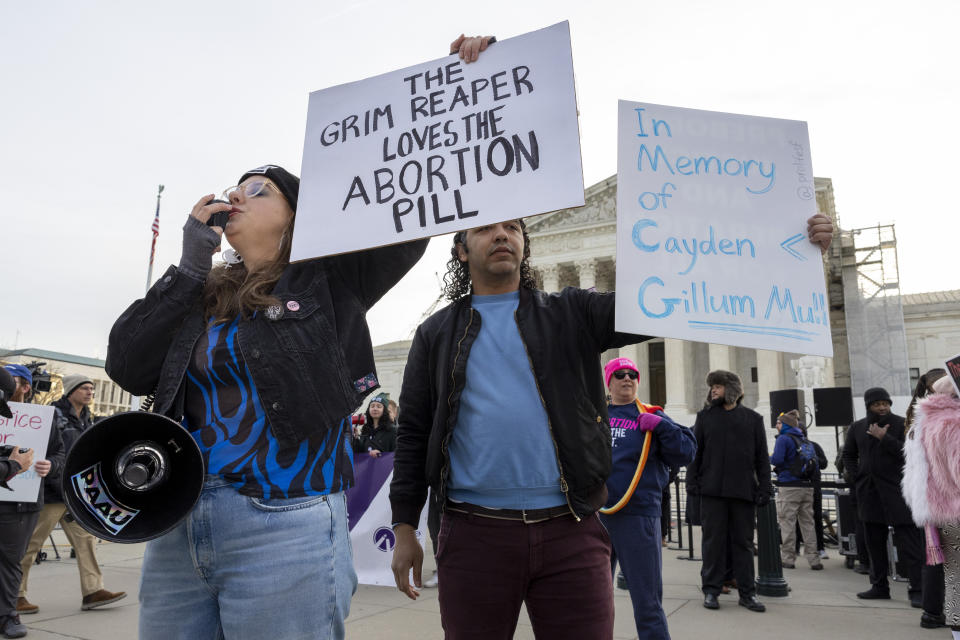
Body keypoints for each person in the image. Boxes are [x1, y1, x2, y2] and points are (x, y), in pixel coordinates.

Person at [106, 164, 427, 639]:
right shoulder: (201, 295)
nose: (237, 196)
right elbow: (126, 363)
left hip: (284, 520)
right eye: (234, 190)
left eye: (258, 190)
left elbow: (410, 221)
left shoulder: (330, 282)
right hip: (179, 522)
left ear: (297, 215)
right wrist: (191, 268)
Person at [599, 357, 696, 639]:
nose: (627, 378)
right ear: (609, 381)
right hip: (597, 517)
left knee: (647, 600)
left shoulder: (653, 414)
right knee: (592, 601)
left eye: (632, 374)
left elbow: (687, 452)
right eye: (619, 374)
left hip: (638, 516)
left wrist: (662, 428)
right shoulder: (596, 414)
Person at [17, 374, 126, 615]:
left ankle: (93, 591)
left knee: (86, 540)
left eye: (92, 389)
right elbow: (47, 451)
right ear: (71, 390)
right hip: (51, 492)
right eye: (85, 388)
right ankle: (15, 595)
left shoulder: (86, 419)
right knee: (31, 543)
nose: (90, 392)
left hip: (75, 493)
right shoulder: (51, 415)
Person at [686, 370, 772, 613]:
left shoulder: (753, 420)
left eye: (719, 386)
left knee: (743, 544)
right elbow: (696, 454)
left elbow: (761, 459)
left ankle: (748, 593)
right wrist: (692, 483)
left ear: (732, 389)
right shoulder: (704, 418)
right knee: (712, 543)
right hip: (712, 492)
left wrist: (765, 487)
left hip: (743, 492)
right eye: (712, 386)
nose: (714, 390)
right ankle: (711, 591)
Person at [842, 387, 923, 606]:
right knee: (874, 545)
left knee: (910, 543)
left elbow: (909, 453)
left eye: (885, 403)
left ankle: (918, 589)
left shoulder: (902, 424)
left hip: (898, 492)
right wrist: (855, 475)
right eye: (877, 404)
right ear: (869, 406)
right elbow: (848, 454)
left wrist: (884, 438)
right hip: (869, 493)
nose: (882, 407)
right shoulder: (858, 427)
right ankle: (879, 586)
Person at [0, 365, 62, 639]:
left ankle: (8, 614)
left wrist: (52, 466)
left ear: (25, 386)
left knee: (12, 559)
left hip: (21, 501)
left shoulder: (44, 418)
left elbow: (61, 452)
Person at [903, 375, 960, 638]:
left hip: (938, 512)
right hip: (956, 508)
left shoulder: (922, 425)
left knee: (954, 578)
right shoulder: (953, 424)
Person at [769, 410, 823, 570]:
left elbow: (777, 460)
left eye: (778, 423)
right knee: (808, 523)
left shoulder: (783, 439)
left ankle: (788, 558)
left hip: (789, 486)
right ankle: (814, 559)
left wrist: (768, 457)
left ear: (785, 425)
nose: (776, 425)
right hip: (806, 486)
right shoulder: (805, 440)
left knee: (788, 523)